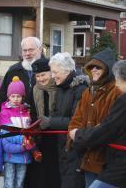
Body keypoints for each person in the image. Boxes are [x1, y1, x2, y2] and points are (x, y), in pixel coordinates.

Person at [67, 47, 122, 188]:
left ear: (108, 69)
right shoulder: (87, 92)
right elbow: (76, 119)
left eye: (99, 67)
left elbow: (110, 125)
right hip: (88, 156)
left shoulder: (117, 91)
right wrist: (76, 134)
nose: (94, 70)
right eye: (91, 67)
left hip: (108, 158)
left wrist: (81, 135)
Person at [39, 52, 88, 188]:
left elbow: (77, 121)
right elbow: (57, 113)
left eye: (55, 72)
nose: (53, 76)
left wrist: (51, 122)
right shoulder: (62, 87)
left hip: (75, 149)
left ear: (67, 70)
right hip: (64, 147)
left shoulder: (81, 89)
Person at [0, 76, 42, 188]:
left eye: (19, 96)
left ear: (22, 97)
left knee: (20, 182)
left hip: (24, 155)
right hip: (10, 156)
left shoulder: (26, 112)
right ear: (8, 97)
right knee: (9, 182)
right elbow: (7, 134)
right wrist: (23, 139)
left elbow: (29, 129)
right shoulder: (4, 113)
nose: (16, 99)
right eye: (13, 96)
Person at [25, 58, 60, 188]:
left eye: (43, 75)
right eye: (37, 76)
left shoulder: (58, 88)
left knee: (53, 173)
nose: (40, 79)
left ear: (51, 73)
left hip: (56, 138)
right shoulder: (34, 91)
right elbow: (31, 113)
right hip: (39, 138)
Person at [0, 36, 43, 115]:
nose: (27, 53)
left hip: (42, 120)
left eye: (31, 50)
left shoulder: (47, 70)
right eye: (24, 50)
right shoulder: (13, 70)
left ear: (39, 50)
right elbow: (2, 96)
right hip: (17, 119)